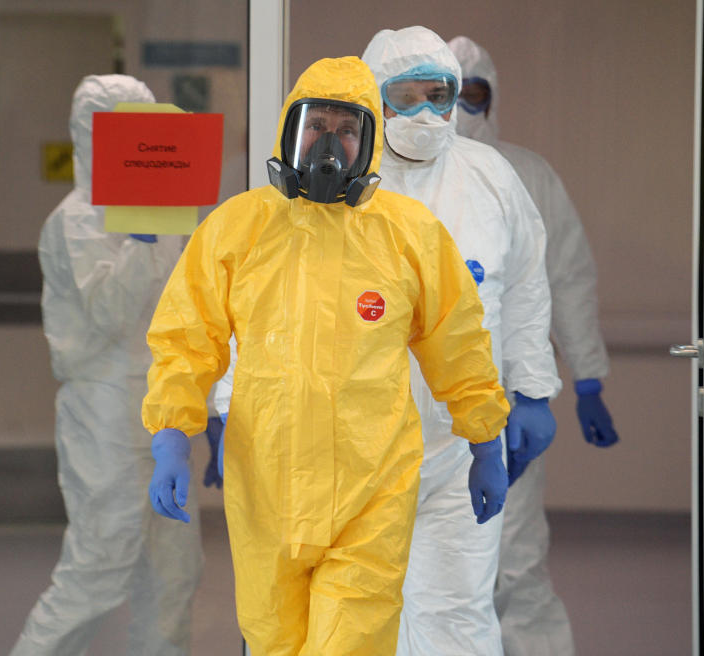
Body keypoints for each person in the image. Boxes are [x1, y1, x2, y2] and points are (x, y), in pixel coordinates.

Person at [141, 56, 512, 656]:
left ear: (369, 143)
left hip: (371, 489)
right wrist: (171, 435)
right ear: (290, 129)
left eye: (348, 129)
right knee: (271, 643)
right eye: (317, 126)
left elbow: (458, 340)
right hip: (265, 489)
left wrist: (485, 438)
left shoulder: (409, 234)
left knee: (350, 645)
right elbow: (186, 338)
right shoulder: (238, 228)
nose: (329, 144)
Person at [360, 27, 561, 656]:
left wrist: (532, 390)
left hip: (466, 437)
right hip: (360, 439)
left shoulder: (491, 177)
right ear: (373, 100)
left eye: (439, 96)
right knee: (364, 611)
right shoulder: (346, 186)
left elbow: (527, 287)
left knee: (459, 611)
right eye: (405, 96)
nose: (424, 113)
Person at [10, 74, 204, 655]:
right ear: (87, 134)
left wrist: (210, 406)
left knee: (173, 576)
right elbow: (112, 316)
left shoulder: (168, 216)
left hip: (164, 415)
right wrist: (141, 242)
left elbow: (189, 313)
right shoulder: (76, 220)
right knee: (97, 570)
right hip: (103, 414)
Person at [447, 35, 620, 656]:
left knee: (514, 559)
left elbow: (566, 276)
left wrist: (587, 379)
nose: (461, 106)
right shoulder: (398, 178)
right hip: (412, 406)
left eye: (475, 93)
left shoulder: (526, 173)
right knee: (425, 567)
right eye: (448, 92)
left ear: (493, 99)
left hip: (503, 397)